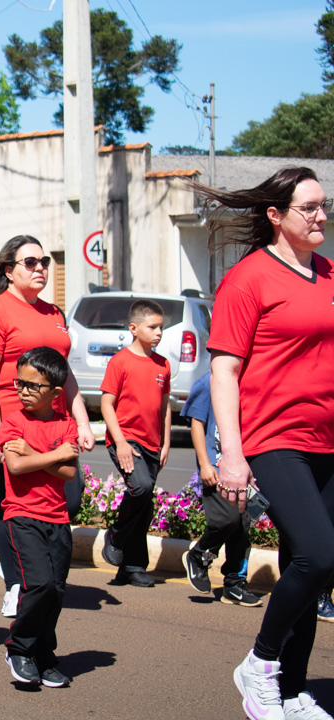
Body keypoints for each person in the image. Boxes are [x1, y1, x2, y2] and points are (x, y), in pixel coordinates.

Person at [197, 167, 334, 720]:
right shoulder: (249, 279)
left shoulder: (327, 273)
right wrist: (232, 453)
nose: (321, 216)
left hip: (327, 436)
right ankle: (261, 662)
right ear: (276, 216)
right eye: (310, 207)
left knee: (317, 564)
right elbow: (224, 371)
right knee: (321, 551)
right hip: (275, 435)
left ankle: (293, 691)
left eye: (325, 206)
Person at [0, 235, 95, 618]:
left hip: (56, 426)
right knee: (16, 509)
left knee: (68, 501)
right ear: (9, 271)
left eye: (44, 262)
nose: (40, 268)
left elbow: (65, 374)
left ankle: (27, 568)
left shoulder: (54, 314)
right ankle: (15, 582)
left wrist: (83, 419)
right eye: (30, 262)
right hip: (14, 427)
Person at [0, 347, 79, 688]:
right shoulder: (13, 421)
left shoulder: (67, 424)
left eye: (33, 386)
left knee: (56, 592)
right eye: (20, 383)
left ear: (56, 393)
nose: (23, 391)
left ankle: (44, 656)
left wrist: (36, 453)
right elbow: (15, 466)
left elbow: (69, 473)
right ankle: (18, 649)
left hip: (58, 519)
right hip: (22, 516)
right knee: (40, 584)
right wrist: (54, 455)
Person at [99, 300, 171, 588]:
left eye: (161, 328)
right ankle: (115, 535)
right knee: (139, 488)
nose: (159, 333)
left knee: (144, 504)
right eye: (152, 327)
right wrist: (121, 443)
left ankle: (131, 567)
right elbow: (106, 404)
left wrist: (165, 444)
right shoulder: (121, 362)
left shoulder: (163, 364)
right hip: (126, 439)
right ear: (133, 328)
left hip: (154, 443)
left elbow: (164, 407)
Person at [180, 370, 261, 606]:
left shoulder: (253, 379)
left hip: (247, 470)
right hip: (217, 468)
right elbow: (197, 422)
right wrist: (204, 464)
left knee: (244, 527)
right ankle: (199, 555)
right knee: (227, 520)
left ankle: (235, 584)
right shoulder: (210, 380)